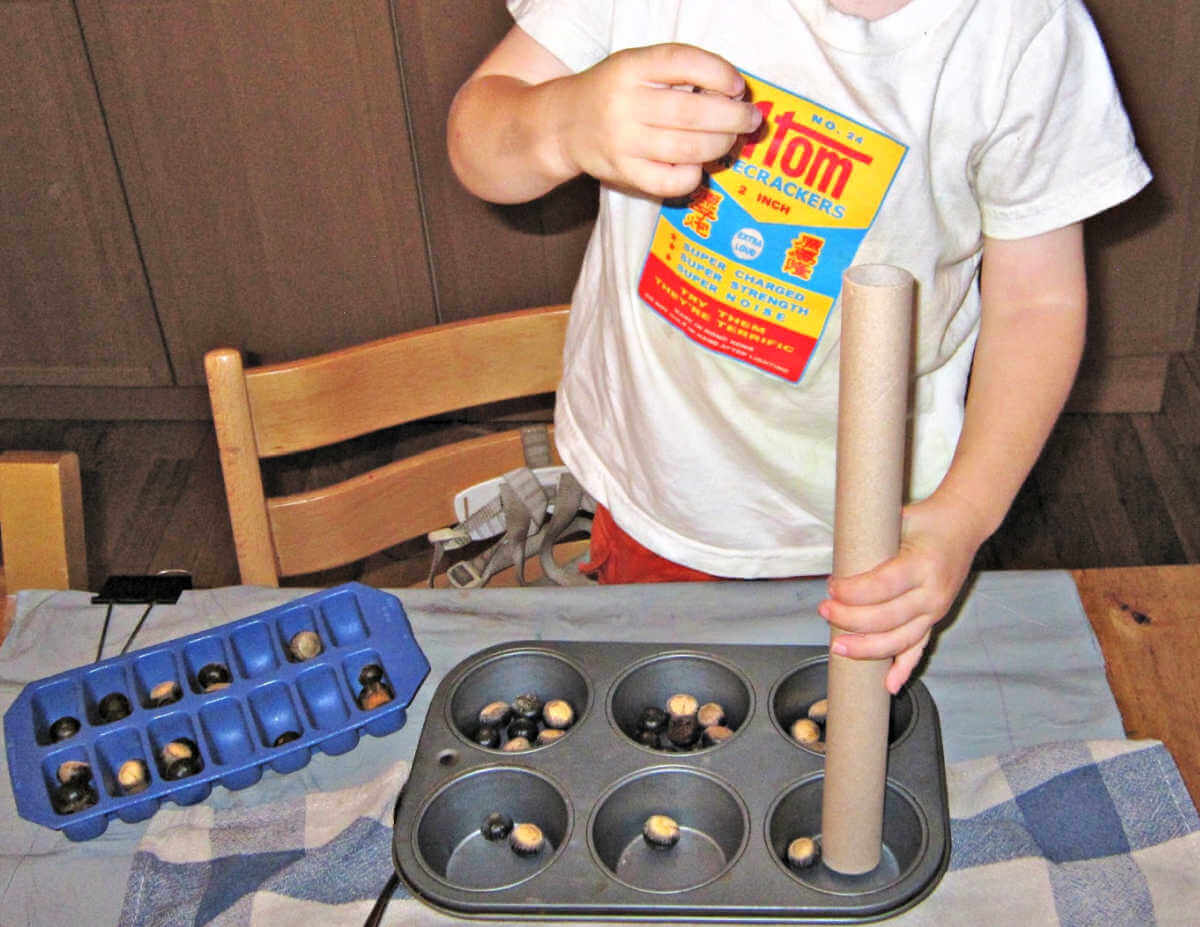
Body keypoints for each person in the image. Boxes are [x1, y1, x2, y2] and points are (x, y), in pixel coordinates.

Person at [446, 0, 1150, 693]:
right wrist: (561, 123)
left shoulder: (1026, 31)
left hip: (890, 525)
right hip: (662, 494)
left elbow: (1038, 305)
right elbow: (479, 135)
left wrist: (964, 516)